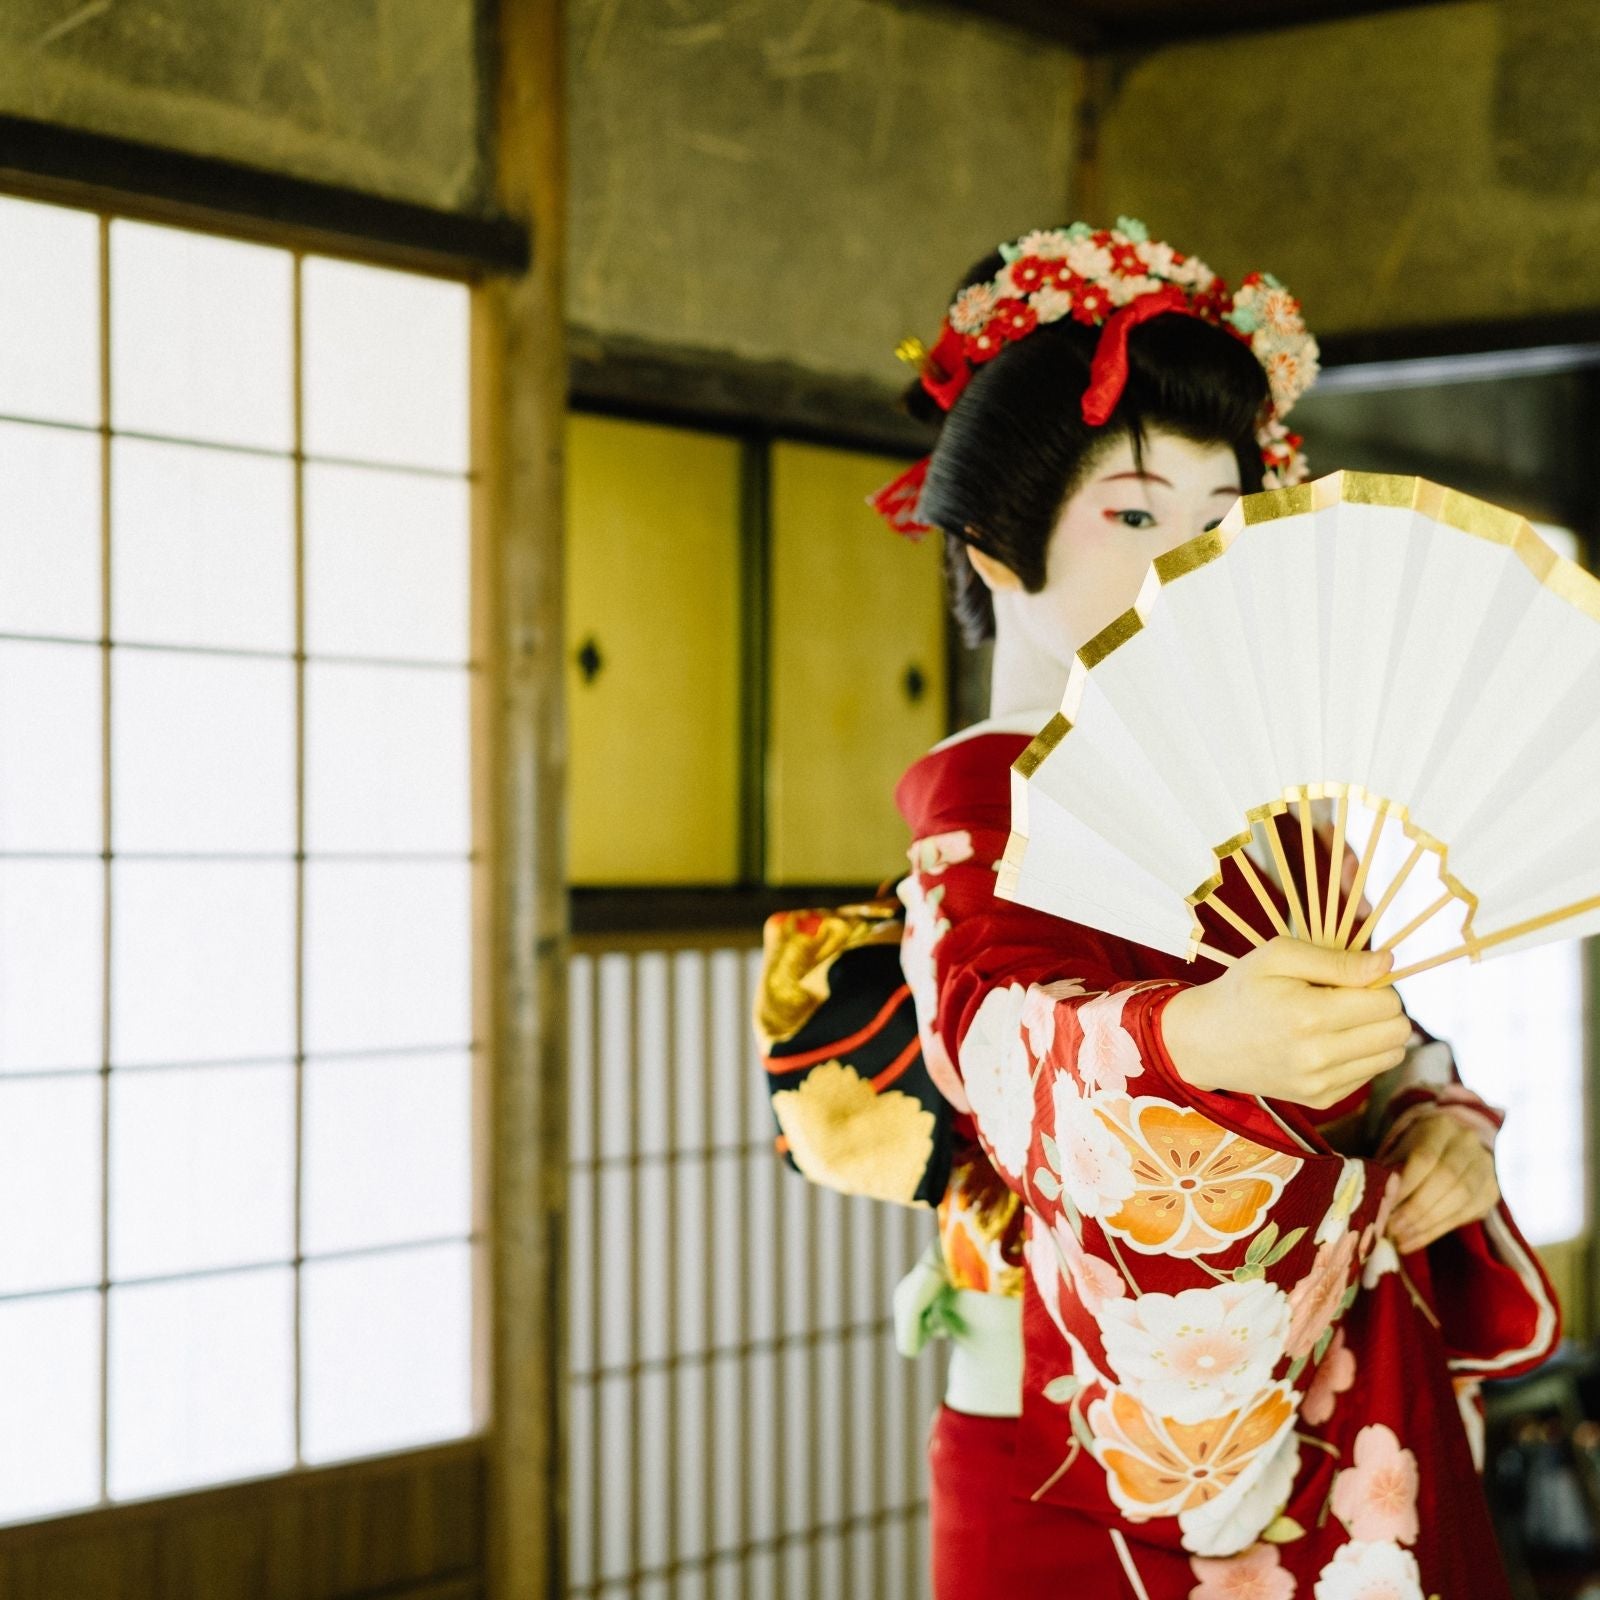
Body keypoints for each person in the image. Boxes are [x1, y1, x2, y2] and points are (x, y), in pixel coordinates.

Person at [875, 221, 1561, 1598]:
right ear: (996, 547)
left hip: (1348, 1404)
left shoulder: (1271, 798)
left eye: (1217, 521)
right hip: (1078, 1442)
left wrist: (1439, 1125)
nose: (1190, 564)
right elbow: (1000, 1047)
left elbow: (1388, 1037)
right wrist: (1190, 1044)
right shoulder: (981, 808)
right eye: (1134, 516)